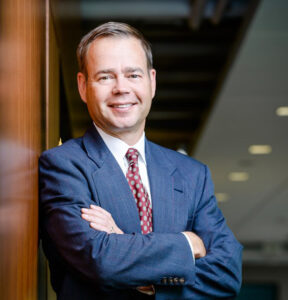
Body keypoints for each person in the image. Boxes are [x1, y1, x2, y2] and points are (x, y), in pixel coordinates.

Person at [39, 22, 242, 300]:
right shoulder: (62, 166)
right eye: (105, 77)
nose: (121, 88)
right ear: (83, 86)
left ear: (152, 82)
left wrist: (143, 274)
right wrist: (188, 243)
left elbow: (227, 273)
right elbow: (101, 260)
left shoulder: (192, 174)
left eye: (133, 75)